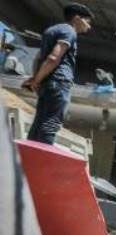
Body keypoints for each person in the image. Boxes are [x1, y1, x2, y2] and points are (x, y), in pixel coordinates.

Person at [22, 3, 93, 144]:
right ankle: (42, 157)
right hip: (59, 82)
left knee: (39, 123)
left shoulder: (52, 30)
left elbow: (39, 58)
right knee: (51, 124)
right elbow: (53, 58)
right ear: (77, 18)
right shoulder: (69, 31)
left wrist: (36, 78)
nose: (89, 26)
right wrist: (36, 81)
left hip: (47, 83)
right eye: (87, 21)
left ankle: (29, 155)